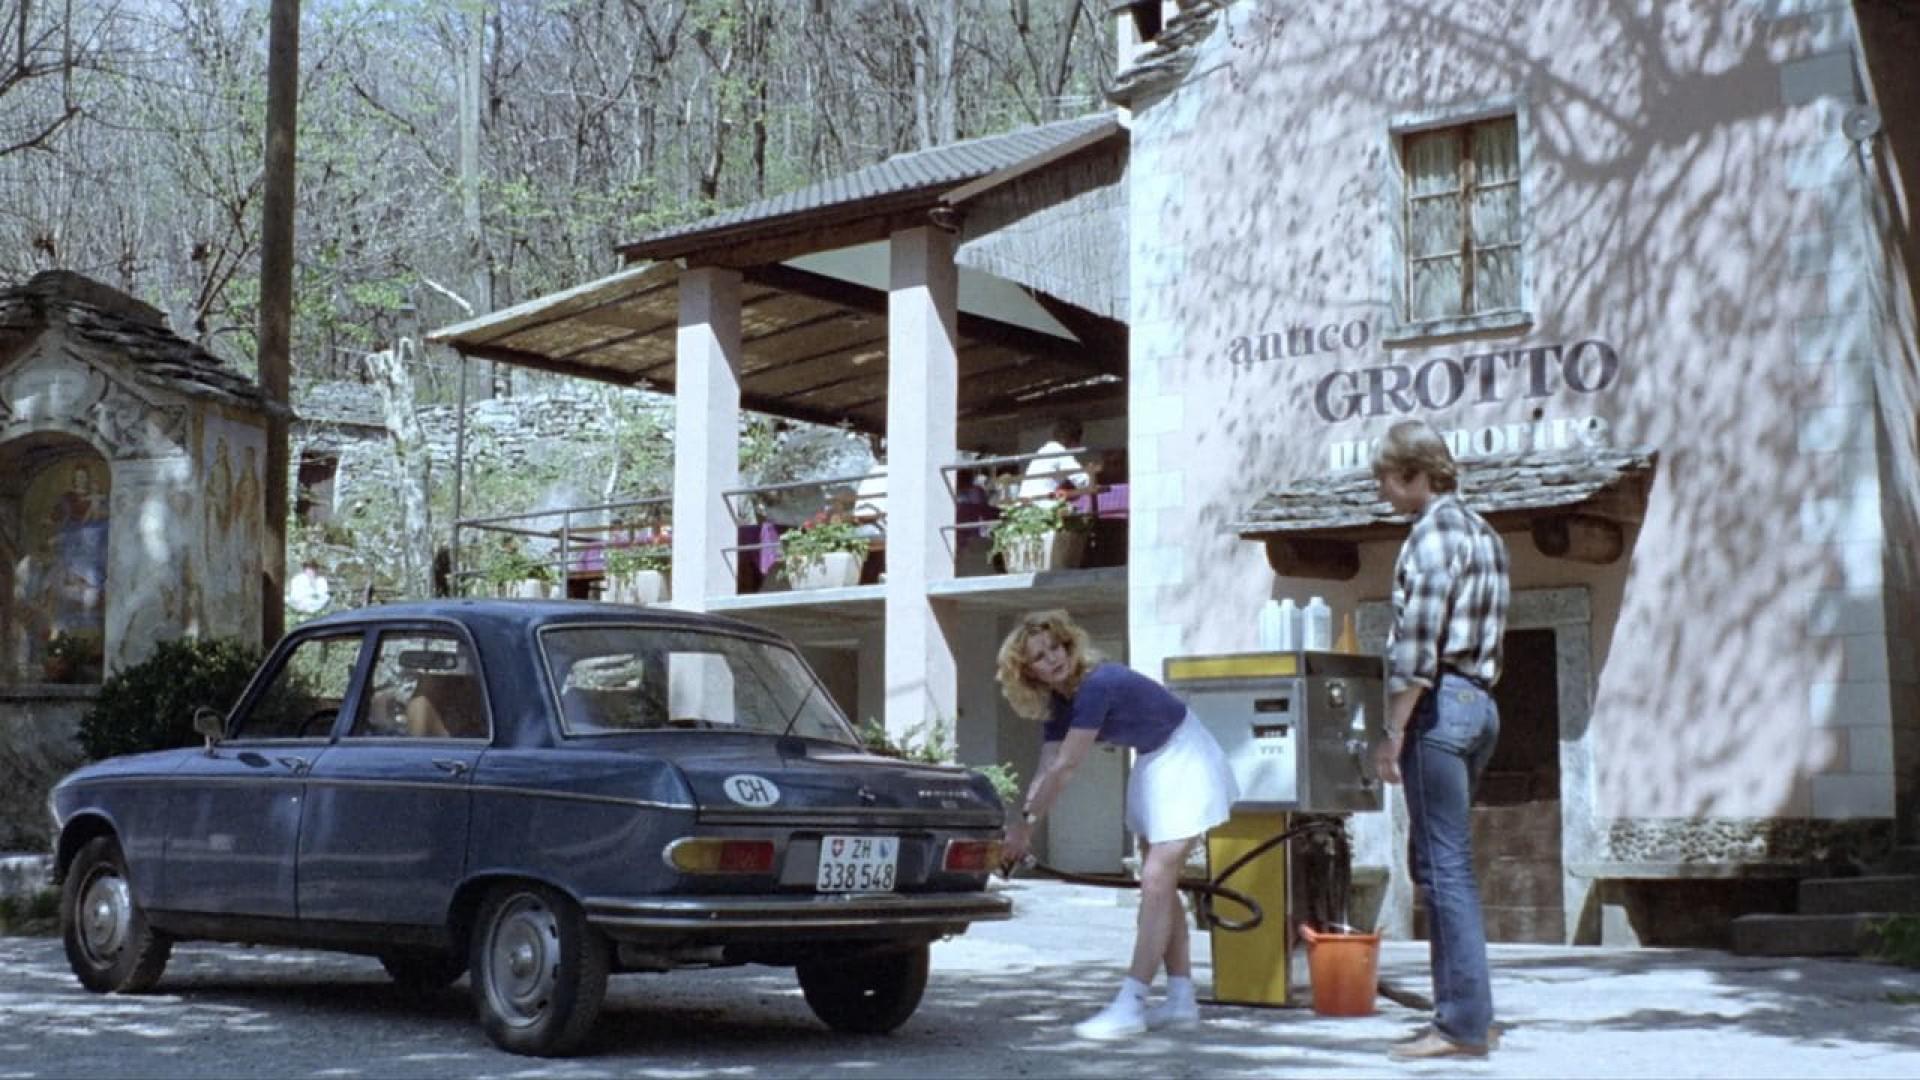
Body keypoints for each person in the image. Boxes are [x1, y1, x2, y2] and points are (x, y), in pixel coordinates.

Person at [996, 609, 1238, 1039]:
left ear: (1069, 645)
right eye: (1039, 656)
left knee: (1157, 880)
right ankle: (1181, 1000)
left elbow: (1068, 766)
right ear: (1026, 671)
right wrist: (1021, 826)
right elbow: (1047, 765)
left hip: (1186, 755)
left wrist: (1028, 826)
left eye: (1055, 647)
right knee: (1160, 885)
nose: (1052, 659)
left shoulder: (1097, 684)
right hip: (1153, 761)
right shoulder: (1060, 704)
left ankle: (1131, 1002)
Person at [1366, 419, 1510, 1061]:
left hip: (1440, 705)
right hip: (1480, 701)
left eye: (1388, 480)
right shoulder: (1485, 534)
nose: (1384, 493)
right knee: (1438, 862)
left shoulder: (1430, 538)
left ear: (1416, 474)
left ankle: (1458, 1026)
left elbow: (1418, 648)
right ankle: (1472, 1012)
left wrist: (1393, 730)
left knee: (1443, 868)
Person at [1017, 419, 1092, 504]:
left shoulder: (1044, 450)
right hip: (1041, 506)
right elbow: (1083, 481)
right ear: (1072, 440)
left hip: (1024, 506)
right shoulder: (1059, 451)